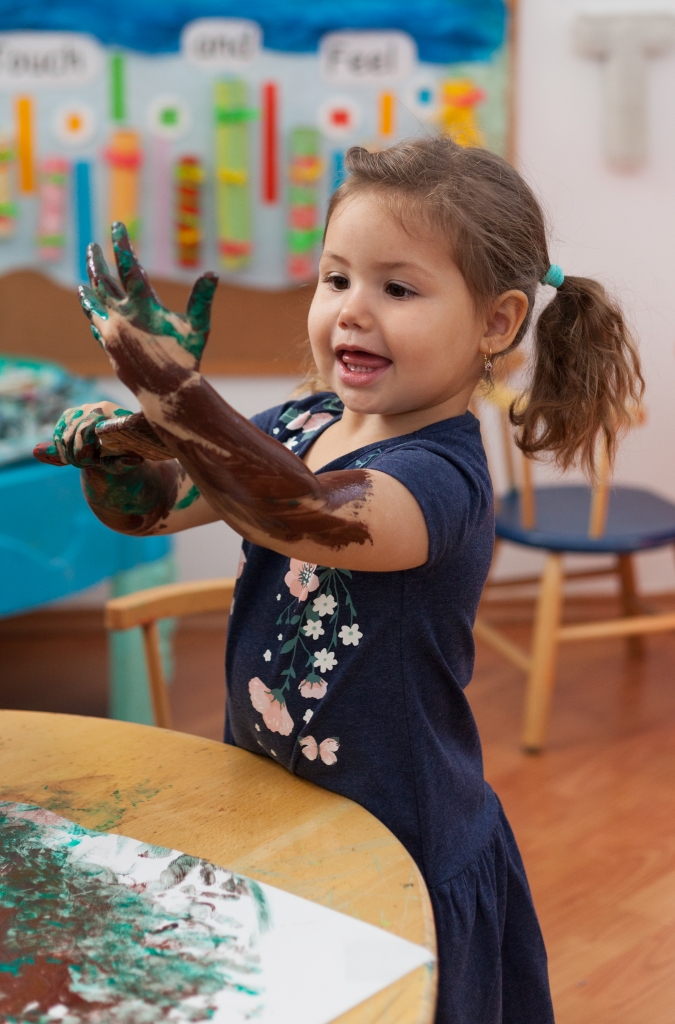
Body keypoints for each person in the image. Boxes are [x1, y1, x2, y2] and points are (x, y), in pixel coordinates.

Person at [35, 135, 643, 1023]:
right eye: (336, 279)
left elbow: (297, 514)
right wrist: (115, 455)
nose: (354, 311)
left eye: (398, 288)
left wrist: (179, 398)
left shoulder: (441, 477)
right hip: (273, 813)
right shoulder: (303, 419)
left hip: (404, 840)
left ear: (497, 323)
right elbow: (153, 511)